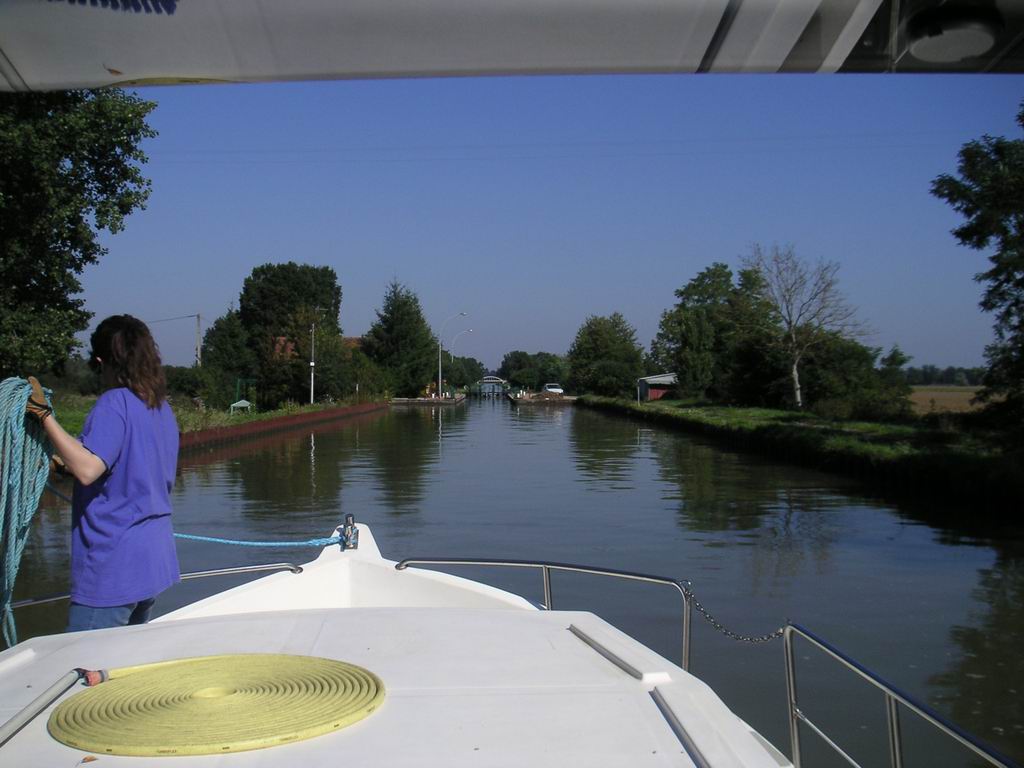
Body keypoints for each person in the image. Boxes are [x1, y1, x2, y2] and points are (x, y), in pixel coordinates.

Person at [25, 315, 180, 631]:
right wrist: (64, 461)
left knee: (83, 659)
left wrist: (44, 417)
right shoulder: (160, 407)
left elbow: (88, 469)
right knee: (124, 657)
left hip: (114, 567)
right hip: (153, 561)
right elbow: (128, 467)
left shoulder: (114, 403)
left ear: (101, 361)